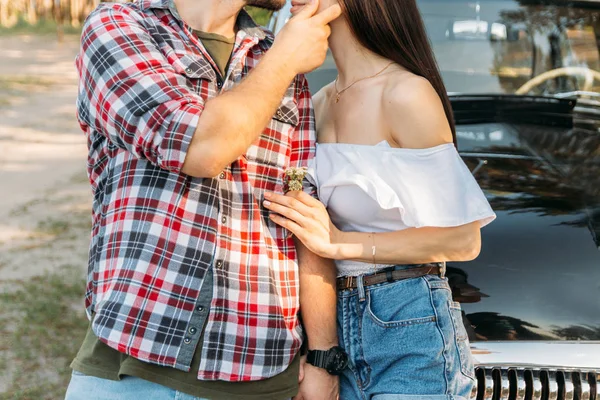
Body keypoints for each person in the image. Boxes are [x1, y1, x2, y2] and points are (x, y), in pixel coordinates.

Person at [65, 0, 344, 399]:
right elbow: (200, 147)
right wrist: (285, 57)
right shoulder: (120, 26)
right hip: (131, 374)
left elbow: (301, 215)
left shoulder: (276, 55)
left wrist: (322, 356)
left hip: (262, 377)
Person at [263, 0, 497, 398]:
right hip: (334, 329)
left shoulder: (405, 93)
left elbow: (464, 240)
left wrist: (340, 242)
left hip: (410, 320)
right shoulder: (316, 102)